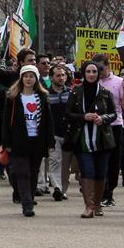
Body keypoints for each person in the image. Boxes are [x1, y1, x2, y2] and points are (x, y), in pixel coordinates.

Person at [1, 65, 54, 217]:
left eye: (32, 76)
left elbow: (48, 121)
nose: (28, 79)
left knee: (33, 172)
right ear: (21, 78)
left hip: (37, 140)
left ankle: (29, 197)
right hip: (18, 140)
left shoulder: (43, 97)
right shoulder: (13, 97)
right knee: (22, 172)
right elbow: (6, 122)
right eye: (26, 76)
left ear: (36, 79)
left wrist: (50, 142)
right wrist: (7, 142)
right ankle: (27, 204)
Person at [68, 62, 117, 218]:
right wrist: (83, 117)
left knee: (101, 172)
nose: (91, 74)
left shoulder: (105, 93)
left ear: (98, 74)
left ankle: (97, 204)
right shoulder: (76, 92)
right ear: (83, 73)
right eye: (88, 71)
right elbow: (68, 114)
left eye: (94, 71)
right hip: (83, 139)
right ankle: (89, 206)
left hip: (102, 139)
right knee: (87, 171)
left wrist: (103, 118)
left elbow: (114, 114)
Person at [91, 54, 124, 208]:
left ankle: (109, 192)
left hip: (114, 125)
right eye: (95, 69)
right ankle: (100, 191)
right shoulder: (92, 82)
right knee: (98, 161)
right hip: (96, 125)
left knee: (114, 161)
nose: (98, 72)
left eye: (101, 68)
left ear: (108, 66)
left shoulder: (119, 82)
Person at [46, 65, 76, 201]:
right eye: (58, 75)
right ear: (52, 77)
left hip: (69, 134)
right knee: (54, 161)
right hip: (53, 134)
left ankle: (63, 189)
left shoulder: (71, 93)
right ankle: (57, 187)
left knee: (66, 165)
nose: (61, 78)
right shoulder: (45, 94)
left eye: (63, 75)